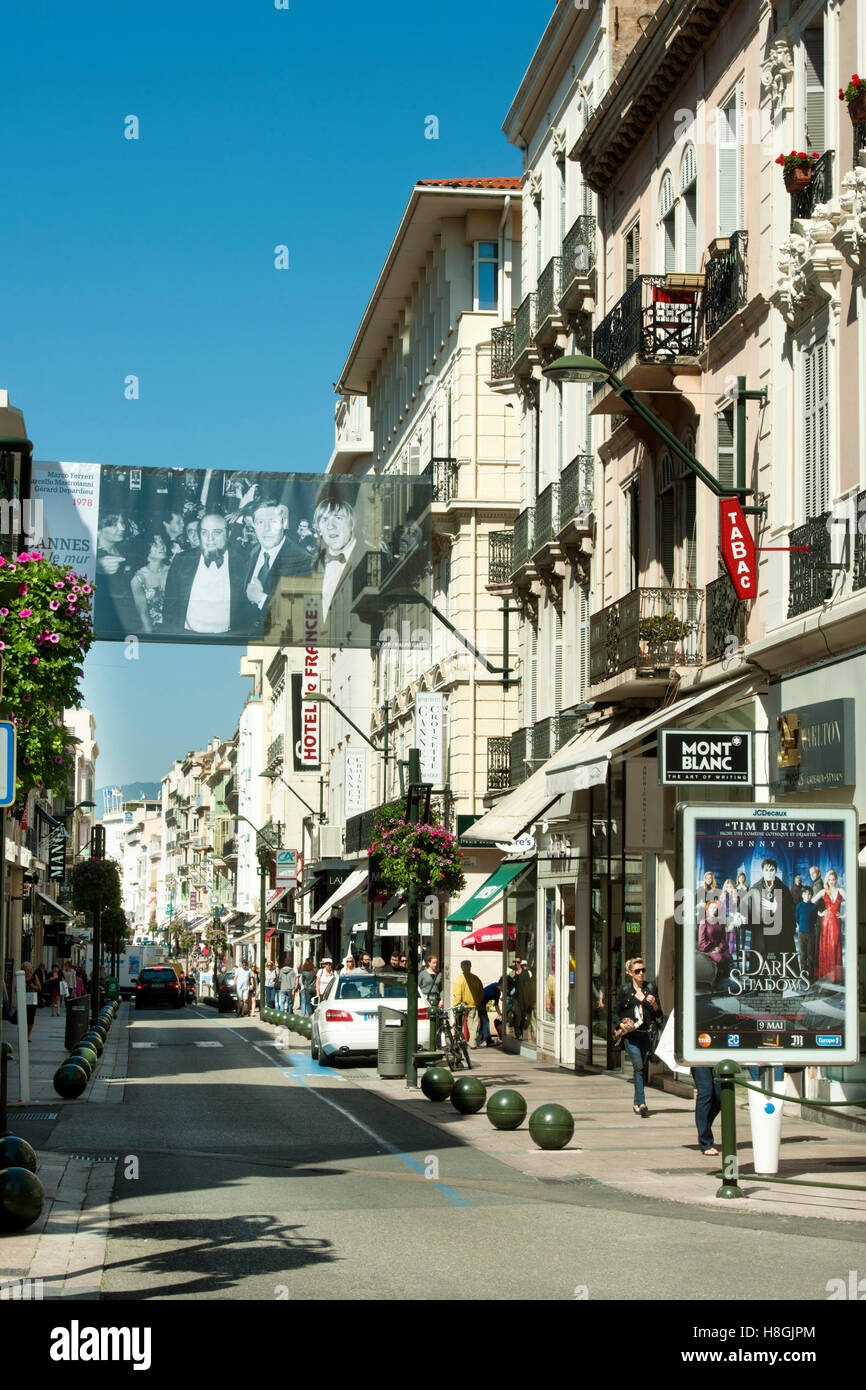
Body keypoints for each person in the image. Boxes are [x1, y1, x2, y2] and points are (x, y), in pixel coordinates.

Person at [161, 512, 249, 635]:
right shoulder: (181, 560)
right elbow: (170, 606)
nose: (210, 538)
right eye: (204, 533)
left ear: (228, 534)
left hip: (227, 639)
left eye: (217, 532)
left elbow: (247, 612)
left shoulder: (243, 563)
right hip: (187, 636)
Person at [243, 497, 311, 622]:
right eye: (260, 523)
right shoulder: (251, 552)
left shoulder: (304, 561)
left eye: (273, 522)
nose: (266, 529)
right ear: (253, 525)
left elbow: (300, 615)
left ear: (284, 524)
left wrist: (261, 599)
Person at [612, 958, 662, 1118]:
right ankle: (642, 1104)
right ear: (630, 973)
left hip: (646, 1035)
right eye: (637, 971)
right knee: (638, 1068)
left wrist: (654, 1005)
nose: (641, 974)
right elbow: (615, 1012)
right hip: (631, 1036)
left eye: (643, 970)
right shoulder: (625, 990)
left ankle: (636, 1102)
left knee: (640, 1070)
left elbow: (659, 1014)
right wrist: (620, 1026)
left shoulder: (651, 987)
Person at [746, 857, 796, 957]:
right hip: (760, 932)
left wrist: (777, 908)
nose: (769, 873)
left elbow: (791, 910)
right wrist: (740, 916)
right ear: (762, 871)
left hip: (779, 934)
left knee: (776, 961)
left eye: (772, 870)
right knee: (761, 960)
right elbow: (746, 908)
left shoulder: (783, 889)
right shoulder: (755, 888)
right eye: (766, 870)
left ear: (776, 871)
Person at [130, 533, 171, 631]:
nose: (161, 546)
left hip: (174, 625)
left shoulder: (172, 570)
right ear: (144, 549)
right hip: (153, 628)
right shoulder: (139, 578)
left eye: (162, 542)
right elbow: (142, 612)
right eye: (155, 544)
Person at [815, 869, 844, 983]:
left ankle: (835, 976)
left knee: (834, 946)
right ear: (827, 880)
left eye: (833, 879)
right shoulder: (823, 892)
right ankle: (826, 974)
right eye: (829, 879)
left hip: (836, 922)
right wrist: (820, 913)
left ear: (836, 880)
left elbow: (853, 900)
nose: (831, 882)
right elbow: (811, 901)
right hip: (826, 922)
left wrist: (843, 915)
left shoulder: (840, 890)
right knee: (826, 946)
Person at [453, 960, 484, 1048]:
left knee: (459, 1024)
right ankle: (473, 1043)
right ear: (470, 966)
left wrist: (456, 1004)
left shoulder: (460, 978)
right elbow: (481, 992)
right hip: (473, 1005)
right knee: (473, 1025)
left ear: (461, 967)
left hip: (462, 1006)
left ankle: (458, 1042)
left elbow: (458, 993)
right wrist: (477, 1002)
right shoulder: (476, 978)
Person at [691, 1065, 721, 1156]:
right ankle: (705, 1142)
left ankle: (704, 1129)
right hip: (700, 1057)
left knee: (721, 1097)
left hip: (722, 1055)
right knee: (705, 1094)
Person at [698, 901, 733, 976]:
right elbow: (701, 941)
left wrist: (719, 948)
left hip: (719, 949)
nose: (714, 909)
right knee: (721, 959)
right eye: (711, 907)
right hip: (708, 949)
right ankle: (721, 978)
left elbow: (723, 939)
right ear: (707, 909)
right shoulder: (704, 922)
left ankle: (726, 979)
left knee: (728, 957)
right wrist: (713, 949)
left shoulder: (721, 922)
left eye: (715, 908)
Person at [795, 884, 819, 981]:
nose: (807, 896)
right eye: (805, 894)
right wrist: (802, 925)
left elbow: (814, 920)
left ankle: (811, 976)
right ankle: (803, 976)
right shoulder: (799, 906)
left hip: (811, 933)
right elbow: (797, 918)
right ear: (802, 895)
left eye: (809, 894)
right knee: (803, 955)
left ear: (811, 895)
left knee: (811, 955)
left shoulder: (814, 907)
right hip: (801, 933)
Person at [477, 978, 502, 1047]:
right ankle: (488, 1041)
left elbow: (496, 1005)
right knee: (486, 1022)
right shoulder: (495, 985)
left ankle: (479, 1041)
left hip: (482, 1004)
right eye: (503, 987)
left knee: (484, 1023)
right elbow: (497, 986)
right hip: (479, 1003)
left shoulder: (498, 993)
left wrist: (500, 1014)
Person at [22, 963, 39, 1042]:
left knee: (31, 1018)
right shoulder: (21, 977)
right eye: (26, 970)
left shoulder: (34, 977)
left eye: (28, 970)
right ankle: (23, 1033)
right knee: (23, 1018)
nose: (27, 971)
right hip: (23, 999)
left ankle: (28, 1035)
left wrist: (33, 987)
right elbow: (15, 988)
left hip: (32, 1000)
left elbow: (39, 988)